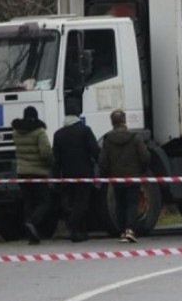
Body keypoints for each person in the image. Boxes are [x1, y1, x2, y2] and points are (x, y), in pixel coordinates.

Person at [52, 102, 100, 242]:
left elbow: (56, 159)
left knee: (72, 203)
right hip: (84, 174)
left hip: (66, 175)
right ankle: (73, 227)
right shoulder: (85, 131)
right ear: (78, 115)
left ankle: (80, 232)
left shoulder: (58, 134)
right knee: (82, 203)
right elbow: (95, 151)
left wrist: (56, 179)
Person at [99, 109, 150, 243]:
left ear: (112, 122)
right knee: (132, 204)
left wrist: (107, 173)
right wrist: (142, 170)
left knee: (120, 204)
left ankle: (122, 231)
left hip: (116, 177)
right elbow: (145, 157)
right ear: (124, 121)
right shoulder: (135, 138)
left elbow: (103, 161)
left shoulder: (108, 139)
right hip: (133, 176)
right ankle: (130, 230)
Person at [12, 106, 53, 245]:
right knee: (44, 201)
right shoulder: (40, 132)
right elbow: (45, 152)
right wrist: (51, 163)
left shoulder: (16, 132)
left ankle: (31, 235)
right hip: (38, 172)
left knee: (28, 202)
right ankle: (32, 222)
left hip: (22, 172)